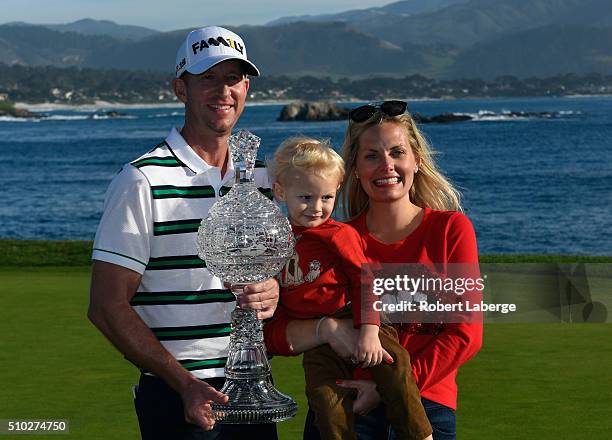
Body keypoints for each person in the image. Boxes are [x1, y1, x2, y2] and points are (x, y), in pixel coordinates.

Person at [88, 26, 280, 440]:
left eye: (233, 78)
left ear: (246, 87)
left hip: (252, 387)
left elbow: (275, 270)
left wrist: (274, 289)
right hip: (178, 392)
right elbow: (105, 306)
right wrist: (184, 383)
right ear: (181, 89)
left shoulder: (263, 178)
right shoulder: (141, 180)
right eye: (208, 78)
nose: (223, 90)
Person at [264, 100, 483, 440]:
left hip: (426, 407)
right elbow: (274, 332)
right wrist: (326, 329)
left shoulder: (450, 230)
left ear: (417, 160)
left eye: (397, 152)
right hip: (343, 408)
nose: (386, 165)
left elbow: (465, 335)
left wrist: (386, 388)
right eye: (370, 156)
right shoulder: (329, 239)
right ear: (353, 170)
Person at [268, 137, 433, 440]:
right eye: (306, 197)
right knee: (324, 399)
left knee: (396, 369)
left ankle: (420, 435)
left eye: (327, 198)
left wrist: (369, 332)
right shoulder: (275, 243)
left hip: (360, 315)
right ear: (280, 191)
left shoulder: (338, 234)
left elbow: (366, 280)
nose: (317, 208)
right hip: (317, 340)